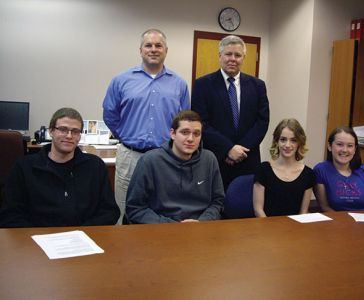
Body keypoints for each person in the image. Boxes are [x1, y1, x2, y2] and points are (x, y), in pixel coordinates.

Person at [103, 29, 190, 223]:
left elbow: (183, 122)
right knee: (123, 208)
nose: (153, 49)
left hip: (164, 157)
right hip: (130, 154)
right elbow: (110, 114)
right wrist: (125, 135)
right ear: (140, 50)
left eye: (158, 45)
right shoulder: (121, 80)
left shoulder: (179, 84)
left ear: (166, 50)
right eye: (148, 45)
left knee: (161, 208)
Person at [0, 108, 120, 228]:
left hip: (83, 238)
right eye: (63, 129)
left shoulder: (95, 166)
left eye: (75, 131)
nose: (69, 136)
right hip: (37, 239)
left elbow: (109, 211)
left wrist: (82, 232)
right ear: (51, 131)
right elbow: (10, 215)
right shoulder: (24, 167)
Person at [191, 35, 269, 190]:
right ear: (220, 56)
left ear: (243, 58)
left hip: (248, 158)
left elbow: (262, 121)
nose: (233, 59)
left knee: (245, 207)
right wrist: (228, 149)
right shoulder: (203, 84)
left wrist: (240, 149)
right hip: (216, 158)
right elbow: (201, 123)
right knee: (215, 206)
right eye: (228, 54)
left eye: (238, 55)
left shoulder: (257, 85)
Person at [125, 110, 224, 224]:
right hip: (161, 229)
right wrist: (173, 226)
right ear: (172, 134)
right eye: (185, 132)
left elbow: (218, 201)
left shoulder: (209, 159)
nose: (191, 139)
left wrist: (202, 222)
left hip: (200, 227)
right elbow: (135, 208)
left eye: (196, 133)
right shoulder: (149, 161)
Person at [313, 126, 364, 212]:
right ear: (330, 146)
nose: (345, 150)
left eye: (350, 146)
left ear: (355, 149)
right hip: (337, 222)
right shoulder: (320, 170)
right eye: (339, 144)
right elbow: (324, 207)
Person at [253, 119, 315, 217]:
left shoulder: (308, 174)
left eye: (293, 140)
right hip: (266, 228)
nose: (287, 145)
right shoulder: (263, 170)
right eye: (283, 139)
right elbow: (258, 210)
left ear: (299, 143)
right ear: (276, 141)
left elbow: (303, 213)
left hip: (295, 229)